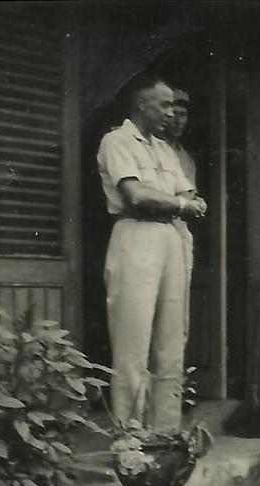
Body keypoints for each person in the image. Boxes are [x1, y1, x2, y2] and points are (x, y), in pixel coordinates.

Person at [97, 73, 207, 431]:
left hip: (171, 236)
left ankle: (166, 434)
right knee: (133, 343)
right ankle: (130, 437)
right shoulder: (116, 141)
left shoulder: (164, 150)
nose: (170, 113)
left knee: (171, 344)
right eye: (164, 105)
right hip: (136, 235)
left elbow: (188, 194)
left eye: (173, 106)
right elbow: (136, 195)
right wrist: (179, 204)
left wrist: (176, 203)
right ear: (141, 105)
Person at [159, 87, 197, 348]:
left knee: (178, 302)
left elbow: (189, 199)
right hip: (154, 227)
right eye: (173, 113)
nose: (178, 120)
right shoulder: (152, 150)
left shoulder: (187, 160)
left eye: (183, 115)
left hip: (179, 230)